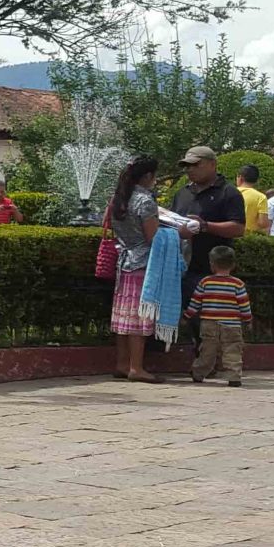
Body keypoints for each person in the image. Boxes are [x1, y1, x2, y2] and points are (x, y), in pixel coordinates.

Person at [168, 147, 248, 311]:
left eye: (196, 165)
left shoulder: (228, 193)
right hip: (180, 269)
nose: (190, 169)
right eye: (187, 166)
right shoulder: (182, 193)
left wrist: (204, 226)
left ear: (212, 164)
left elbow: (238, 228)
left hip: (211, 270)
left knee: (207, 322)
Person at [107, 156, 163, 382]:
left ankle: (122, 363)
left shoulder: (119, 198)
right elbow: (153, 237)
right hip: (142, 263)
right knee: (139, 318)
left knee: (122, 318)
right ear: (148, 176)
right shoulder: (145, 201)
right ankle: (136, 367)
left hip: (124, 261)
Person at [187, 245, 253, 386]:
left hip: (208, 323)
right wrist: (248, 320)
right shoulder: (238, 284)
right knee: (232, 349)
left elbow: (195, 302)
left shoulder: (205, 282)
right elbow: (244, 305)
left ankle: (198, 373)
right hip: (232, 325)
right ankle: (234, 376)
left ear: (212, 265)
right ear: (233, 265)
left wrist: (187, 316)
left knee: (207, 350)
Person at [235, 163, 270, 236]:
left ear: (240, 178)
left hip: (230, 234)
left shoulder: (230, 193)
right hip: (250, 238)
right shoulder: (261, 197)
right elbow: (263, 223)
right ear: (256, 180)